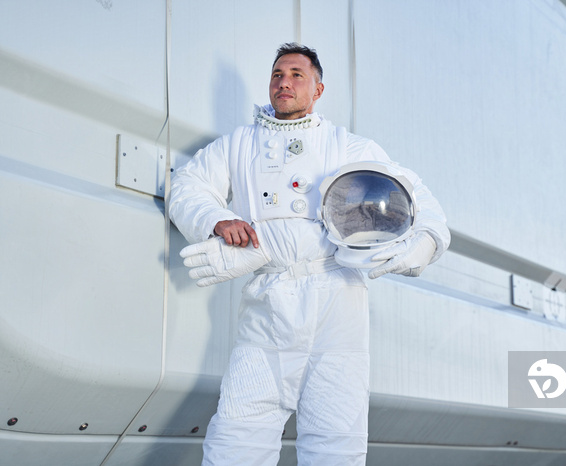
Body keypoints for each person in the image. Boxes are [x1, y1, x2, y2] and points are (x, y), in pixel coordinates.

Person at [169, 43, 450, 466]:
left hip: (338, 300)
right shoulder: (240, 144)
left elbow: (414, 197)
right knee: (237, 434)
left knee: (336, 440)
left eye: (297, 75)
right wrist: (215, 218)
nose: (285, 82)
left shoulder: (347, 145)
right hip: (270, 299)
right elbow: (187, 186)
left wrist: (425, 243)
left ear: (318, 89)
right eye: (278, 74)